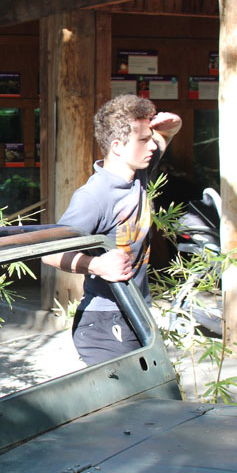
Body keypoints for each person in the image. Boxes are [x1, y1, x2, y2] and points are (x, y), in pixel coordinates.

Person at [42, 94, 181, 366]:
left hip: (137, 311)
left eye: (149, 138)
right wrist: (97, 265)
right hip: (104, 322)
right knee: (127, 407)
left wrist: (171, 125)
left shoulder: (137, 174)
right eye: (143, 140)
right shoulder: (94, 196)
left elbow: (167, 134)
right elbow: (48, 254)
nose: (151, 146)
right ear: (117, 146)